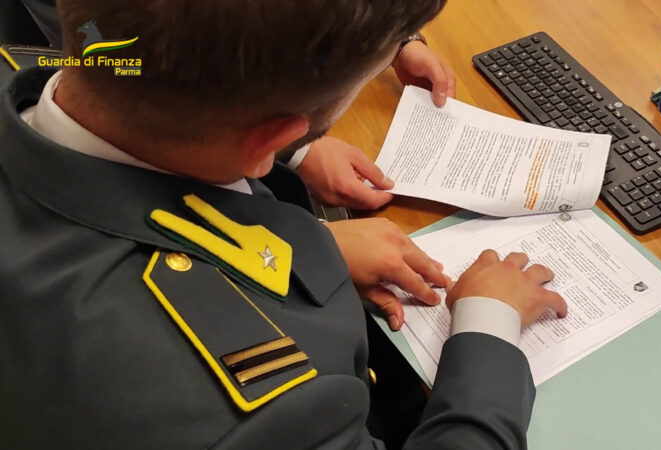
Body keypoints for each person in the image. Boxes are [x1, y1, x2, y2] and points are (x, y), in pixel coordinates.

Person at [0, 0, 568, 448]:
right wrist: (488, 328)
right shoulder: (256, 413)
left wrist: (302, 240)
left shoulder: (69, 65)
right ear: (271, 141)